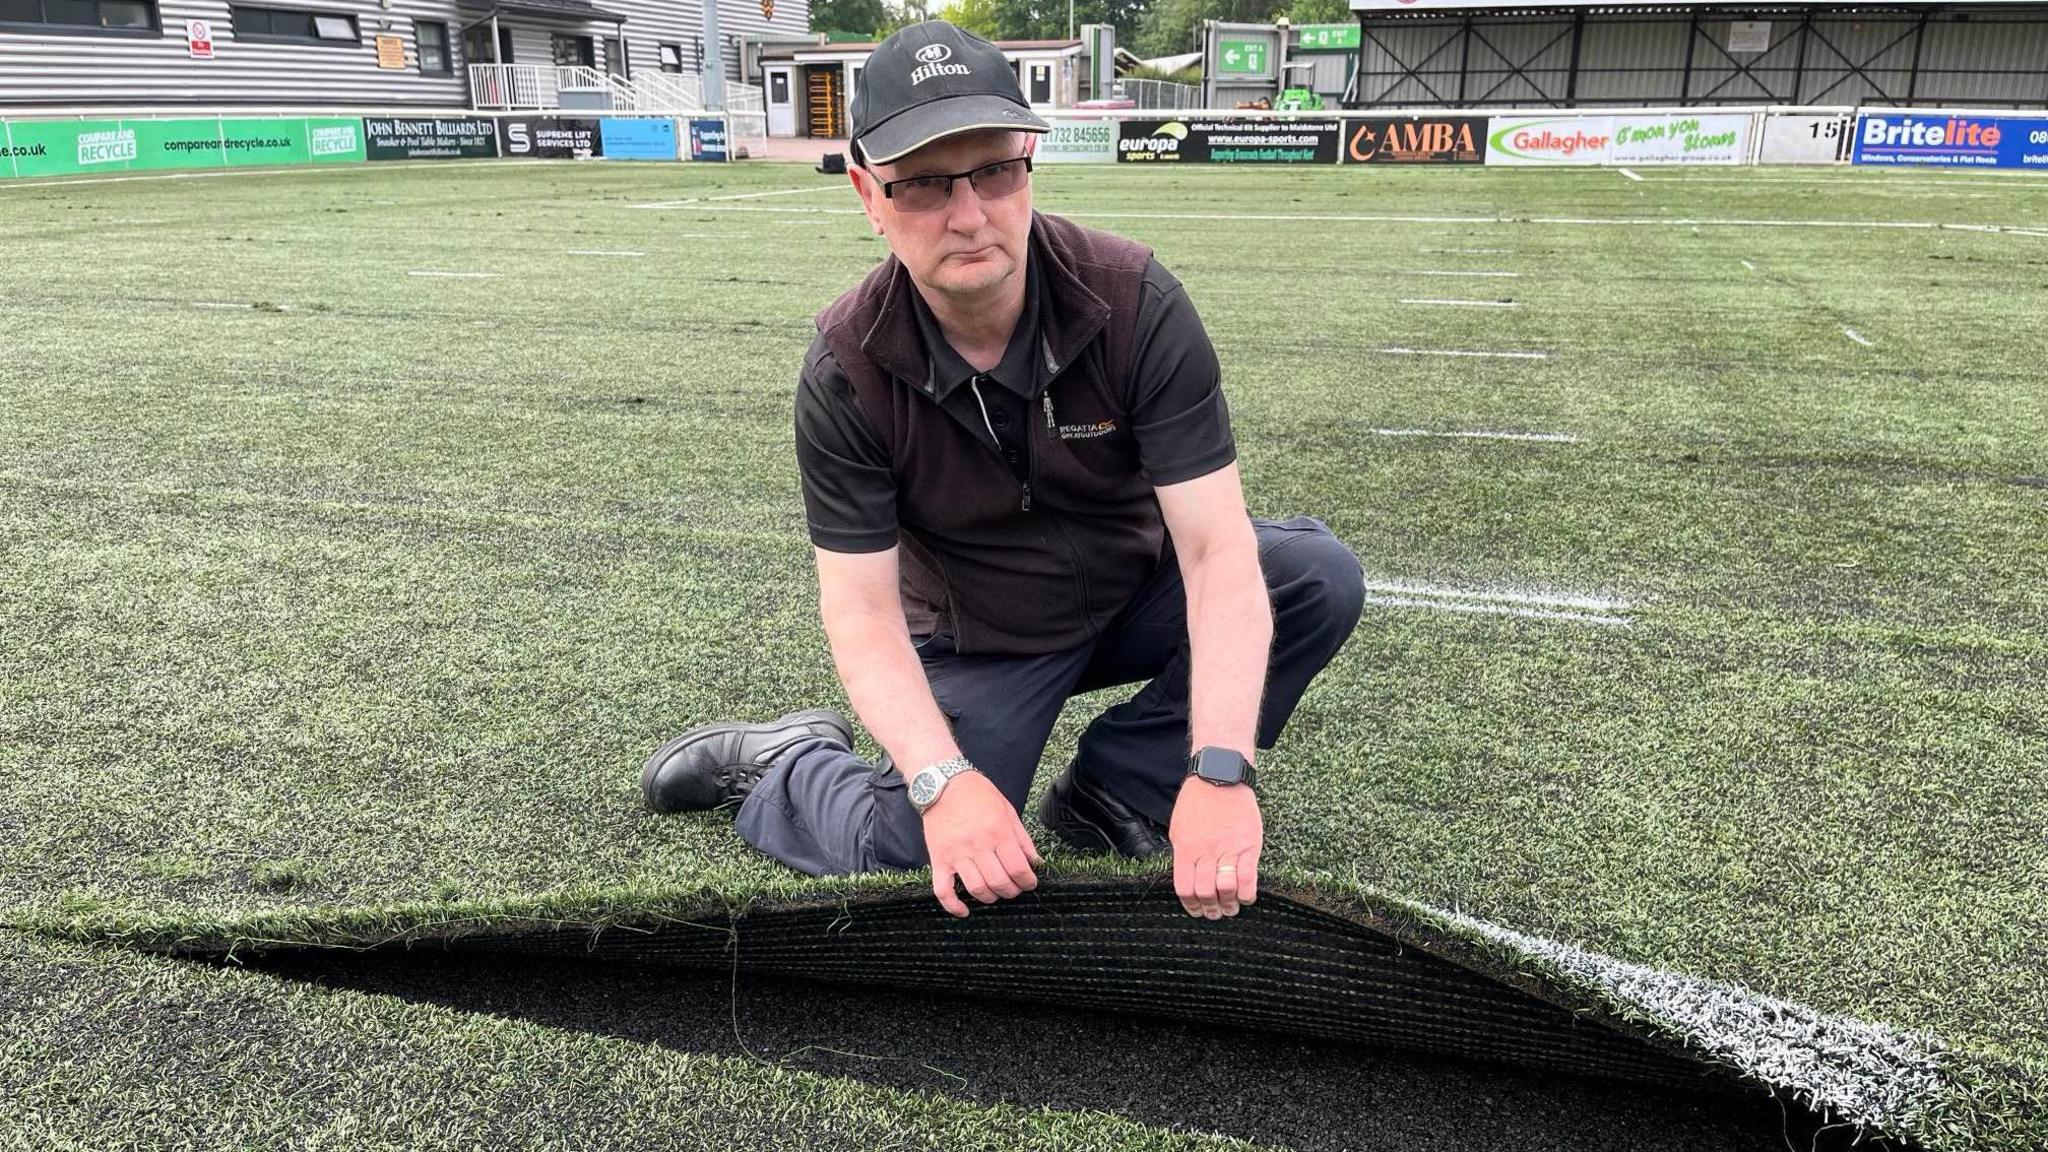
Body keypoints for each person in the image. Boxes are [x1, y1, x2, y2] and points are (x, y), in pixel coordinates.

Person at [643, 21, 1364, 924]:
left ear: (1029, 167)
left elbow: (1218, 557)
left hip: (1134, 590)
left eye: (994, 171)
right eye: (924, 185)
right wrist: (945, 787)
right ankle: (789, 760)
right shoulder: (847, 368)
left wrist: (1218, 768)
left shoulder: (1134, 301)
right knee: (913, 857)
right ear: (870, 196)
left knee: (1311, 577)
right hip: (984, 635)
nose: (970, 213)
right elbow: (862, 615)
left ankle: (1114, 784)